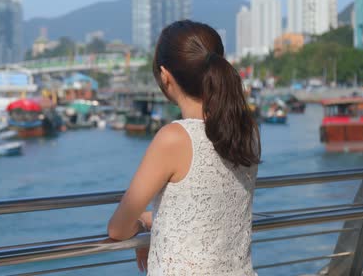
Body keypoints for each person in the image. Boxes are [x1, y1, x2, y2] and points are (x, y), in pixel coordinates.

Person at [107, 20, 260, 275]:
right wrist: (151, 218)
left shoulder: (174, 138)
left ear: (165, 76)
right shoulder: (247, 132)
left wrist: (143, 224)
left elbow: (118, 229)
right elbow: (206, 213)